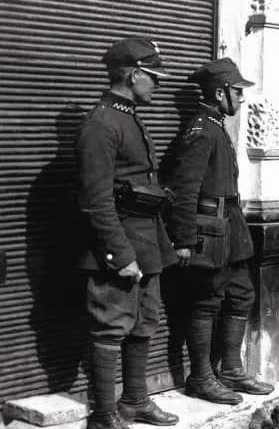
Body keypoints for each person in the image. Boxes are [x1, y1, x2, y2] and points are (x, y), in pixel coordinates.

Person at [76, 37, 179, 429]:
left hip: (145, 242)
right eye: (153, 77)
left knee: (144, 320)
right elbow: (96, 202)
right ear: (134, 75)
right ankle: (104, 416)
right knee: (110, 323)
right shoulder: (100, 125)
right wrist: (121, 255)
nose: (157, 84)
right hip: (118, 245)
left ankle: (134, 400)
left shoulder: (128, 116)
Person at [165, 58, 273, 404]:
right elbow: (185, 189)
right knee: (205, 301)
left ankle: (231, 369)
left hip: (230, 231)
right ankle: (200, 378)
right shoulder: (201, 130)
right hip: (209, 233)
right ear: (219, 92)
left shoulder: (215, 126)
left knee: (241, 294)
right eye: (237, 92)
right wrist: (183, 239)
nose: (241, 99)